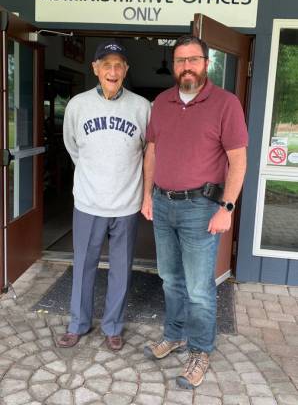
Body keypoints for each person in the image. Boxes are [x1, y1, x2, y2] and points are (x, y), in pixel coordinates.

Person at [141, 35, 248, 388]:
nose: (186, 66)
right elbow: (152, 152)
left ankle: (201, 349)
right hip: (163, 203)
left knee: (200, 288)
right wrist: (147, 196)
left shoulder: (226, 103)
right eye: (180, 60)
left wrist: (227, 208)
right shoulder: (161, 102)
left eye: (193, 59)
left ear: (206, 63)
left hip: (201, 209)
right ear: (174, 66)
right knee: (170, 280)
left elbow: (238, 160)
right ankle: (174, 335)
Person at [57, 40, 151, 351]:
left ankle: (113, 326)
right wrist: (93, 176)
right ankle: (78, 323)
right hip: (88, 202)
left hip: (126, 204)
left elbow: (148, 151)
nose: (113, 70)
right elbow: (74, 148)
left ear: (126, 70)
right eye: (106, 65)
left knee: (121, 270)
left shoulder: (141, 107)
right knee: (84, 265)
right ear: (95, 69)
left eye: (118, 65)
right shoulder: (77, 105)